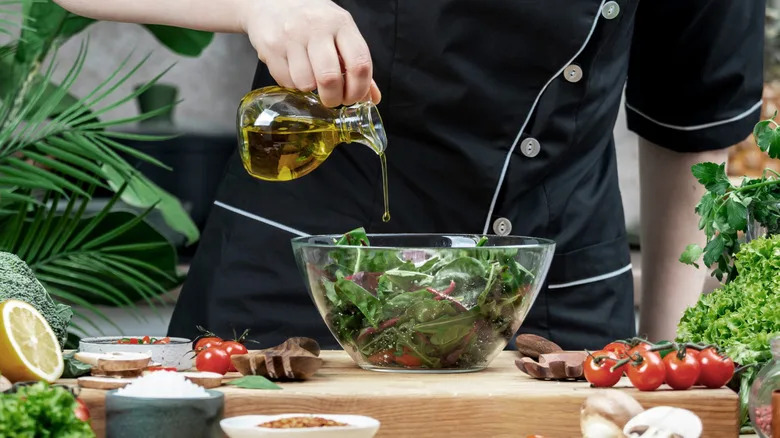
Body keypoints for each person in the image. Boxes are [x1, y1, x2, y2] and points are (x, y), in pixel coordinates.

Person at [54, 0, 765, 350]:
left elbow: (691, 118)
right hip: (297, 297)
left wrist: (672, 362)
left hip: (554, 312)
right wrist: (260, 3)